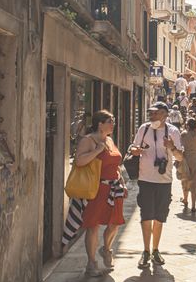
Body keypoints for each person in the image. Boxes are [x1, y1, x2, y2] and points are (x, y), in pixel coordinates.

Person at [130, 102, 183, 269]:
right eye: (151, 113)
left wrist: (171, 147)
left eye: (155, 114)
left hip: (164, 181)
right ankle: (145, 251)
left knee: (160, 217)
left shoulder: (173, 132)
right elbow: (133, 146)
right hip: (145, 179)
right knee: (146, 215)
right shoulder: (144, 129)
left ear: (164, 115)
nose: (151, 116)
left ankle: (155, 249)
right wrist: (134, 150)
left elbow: (180, 157)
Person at [77, 110, 126, 277]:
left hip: (114, 188)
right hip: (97, 189)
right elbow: (79, 161)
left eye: (113, 121)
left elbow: (115, 164)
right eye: (110, 121)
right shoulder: (88, 140)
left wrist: (122, 181)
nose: (113, 124)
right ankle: (91, 264)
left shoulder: (110, 140)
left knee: (116, 223)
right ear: (100, 124)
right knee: (93, 226)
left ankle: (106, 249)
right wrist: (97, 150)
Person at [180, 118, 196, 212]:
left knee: (185, 180)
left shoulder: (183, 134)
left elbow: (180, 146)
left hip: (185, 159)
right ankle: (193, 205)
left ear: (188, 125)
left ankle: (185, 199)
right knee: (195, 182)